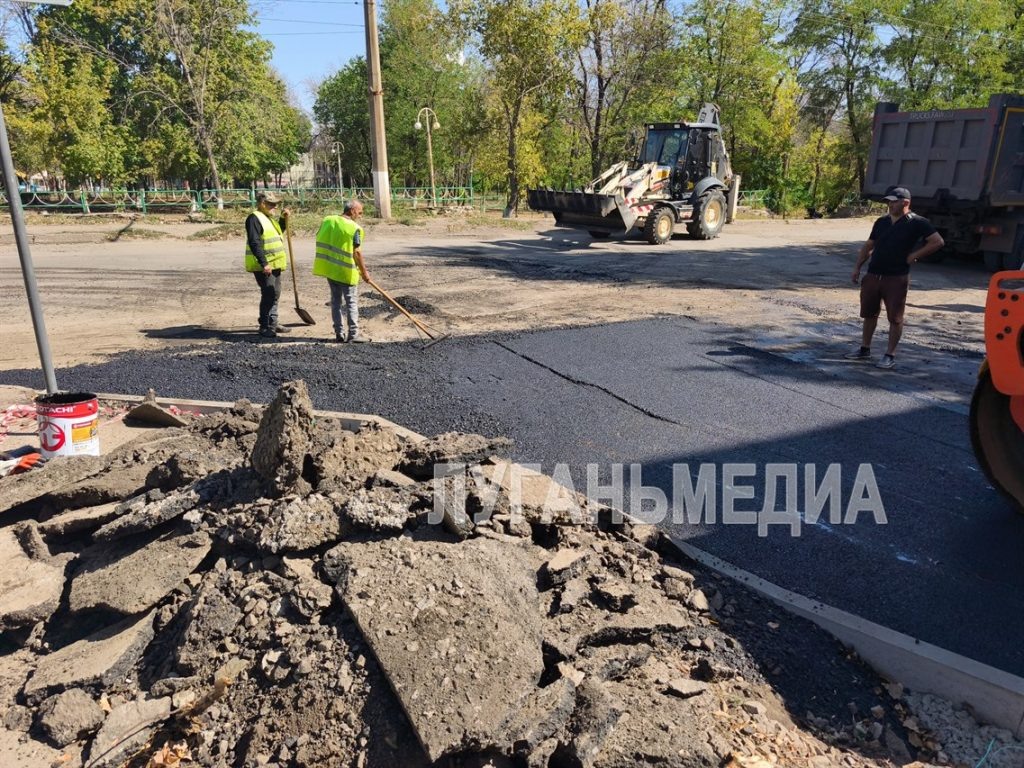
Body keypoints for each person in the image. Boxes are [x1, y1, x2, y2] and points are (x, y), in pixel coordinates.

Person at [846, 186, 944, 369]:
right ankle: (864, 349)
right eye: (889, 201)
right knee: (869, 314)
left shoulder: (917, 222)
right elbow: (869, 245)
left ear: (905, 203)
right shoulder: (881, 222)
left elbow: (937, 241)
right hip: (874, 274)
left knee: (895, 318)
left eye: (894, 201)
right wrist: (857, 267)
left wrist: (914, 256)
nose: (890, 205)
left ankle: (889, 355)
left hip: (896, 277)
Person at [313, 199, 371, 343]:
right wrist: (364, 273)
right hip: (346, 272)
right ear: (352, 211)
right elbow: (357, 252)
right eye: (359, 212)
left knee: (336, 302)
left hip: (331, 270)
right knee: (351, 302)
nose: (360, 216)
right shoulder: (354, 228)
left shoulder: (328, 220)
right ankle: (354, 334)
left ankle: (339, 333)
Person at [244, 191, 291, 338]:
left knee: (275, 293)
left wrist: (283, 219)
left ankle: (273, 322)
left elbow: (278, 233)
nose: (275, 207)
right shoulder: (254, 219)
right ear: (262, 203)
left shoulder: (268, 218)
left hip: (275, 264)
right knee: (268, 294)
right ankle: (265, 326)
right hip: (264, 266)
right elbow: (254, 242)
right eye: (272, 204)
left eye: (276, 205)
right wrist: (264, 263)